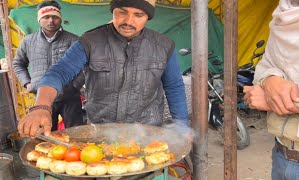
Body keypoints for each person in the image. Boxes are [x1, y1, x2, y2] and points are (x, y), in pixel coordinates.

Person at [17, 0, 189, 137]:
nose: (129, 21)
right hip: (100, 133)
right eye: (122, 11)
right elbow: (59, 72)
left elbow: (173, 86)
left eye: (139, 14)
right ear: (113, 10)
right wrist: (41, 107)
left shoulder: (164, 46)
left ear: (148, 17)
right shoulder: (90, 41)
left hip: (147, 133)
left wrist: (181, 126)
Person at [243, 0, 299, 179]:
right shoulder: (283, 15)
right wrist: (271, 81)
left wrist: (270, 99)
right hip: (281, 154)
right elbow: (266, 64)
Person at [13, 0, 85, 131]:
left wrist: (74, 86)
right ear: (39, 19)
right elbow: (18, 64)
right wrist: (27, 83)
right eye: (46, 17)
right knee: (46, 135)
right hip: (42, 99)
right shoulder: (28, 41)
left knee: (76, 133)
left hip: (69, 98)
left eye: (55, 17)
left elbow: (84, 67)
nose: (51, 20)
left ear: (60, 19)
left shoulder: (74, 40)